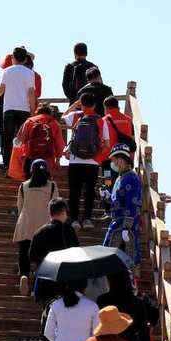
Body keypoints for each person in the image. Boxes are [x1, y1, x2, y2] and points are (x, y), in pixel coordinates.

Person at [0, 46, 37, 169]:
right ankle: (22, 166)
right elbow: (31, 93)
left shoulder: (7, 71)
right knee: (23, 139)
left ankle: (8, 166)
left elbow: (1, 89)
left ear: (13, 58)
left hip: (9, 109)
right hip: (24, 110)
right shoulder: (30, 73)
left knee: (8, 139)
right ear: (25, 59)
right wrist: (33, 111)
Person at [13, 159, 59, 295]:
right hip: (44, 226)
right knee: (43, 256)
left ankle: (24, 275)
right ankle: (37, 286)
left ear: (31, 171)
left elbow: (19, 207)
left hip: (25, 224)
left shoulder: (23, 186)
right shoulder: (51, 186)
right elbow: (55, 206)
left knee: (24, 253)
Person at [62, 92, 106, 231]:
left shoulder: (75, 116)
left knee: (74, 191)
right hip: (92, 161)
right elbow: (106, 143)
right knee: (89, 191)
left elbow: (62, 117)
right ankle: (87, 219)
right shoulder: (100, 120)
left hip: (75, 160)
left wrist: (75, 105)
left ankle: (74, 219)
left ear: (82, 103)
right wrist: (97, 158)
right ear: (94, 104)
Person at [30, 198, 80, 305]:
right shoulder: (69, 231)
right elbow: (77, 253)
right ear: (63, 212)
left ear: (50, 213)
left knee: (47, 314)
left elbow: (32, 257)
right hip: (65, 281)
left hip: (45, 280)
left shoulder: (40, 232)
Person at [104, 144, 142, 264]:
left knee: (127, 260)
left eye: (114, 160)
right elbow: (116, 201)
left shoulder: (132, 178)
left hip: (126, 226)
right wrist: (106, 196)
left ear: (121, 160)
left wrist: (127, 227)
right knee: (109, 258)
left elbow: (132, 204)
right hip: (116, 224)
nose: (113, 163)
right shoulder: (119, 178)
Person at [15, 103, 65, 177]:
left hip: (30, 157)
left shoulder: (29, 121)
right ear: (50, 112)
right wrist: (58, 159)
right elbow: (60, 144)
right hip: (48, 159)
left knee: (29, 184)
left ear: (37, 111)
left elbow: (20, 140)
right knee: (46, 185)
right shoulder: (54, 123)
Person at [99, 96, 135, 196]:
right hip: (124, 158)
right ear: (117, 106)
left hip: (107, 159)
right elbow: (131, 138)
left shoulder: (104, 121)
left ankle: (108, 207)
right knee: (123, 184)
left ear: (106, 108)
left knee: (108, 183)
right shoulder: (128, 120)